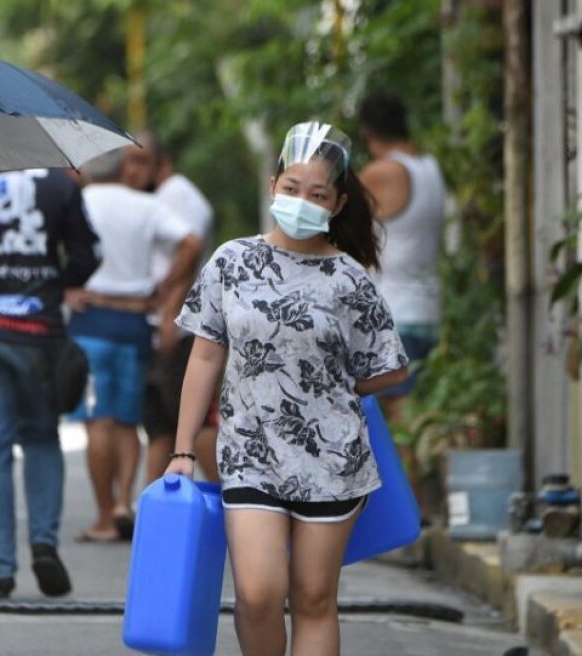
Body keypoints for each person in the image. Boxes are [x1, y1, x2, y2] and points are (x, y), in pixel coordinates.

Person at [167, 122, 408, 656]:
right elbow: (205, 355)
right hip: (249, 452)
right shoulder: (231, 261)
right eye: (293, 188)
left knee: (314, 598)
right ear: (274, 185)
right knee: (257, 595)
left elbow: (391, 367)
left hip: (333, 460)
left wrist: (331, 380)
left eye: (317, 194)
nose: (302, 200)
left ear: (338, 203)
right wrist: (182, 449)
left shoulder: (349, 279)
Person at [0, 168, 100, 599]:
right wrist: (54, 283)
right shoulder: (60, 185)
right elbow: (87, 255)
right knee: (43, 439)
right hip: (41, 335)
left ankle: (0, 570)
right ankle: (44, 542)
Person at [71, 149, 203, 542]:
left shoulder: (78, 202)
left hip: (90, 319)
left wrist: (66, 288)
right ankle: (124, 503)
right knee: (128, 422)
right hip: (133, 322)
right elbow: (192, 242)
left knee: (98, 421)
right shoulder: (146, 205)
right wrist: (165, 290)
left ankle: (104, 518)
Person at [358, 91, 447, 521]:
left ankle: (412, 512)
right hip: (428, 309)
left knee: (398, 420)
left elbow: (332, 211)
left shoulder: (383, 172)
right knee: (418, 414)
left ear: (370, 134)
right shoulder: (429, 169)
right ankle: (420, 508)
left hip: (393, 313)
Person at [121, 132, 219, 484]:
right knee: (161, 426)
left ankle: (235, 500)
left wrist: (168, 311)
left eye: (140, 161)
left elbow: (189, 251)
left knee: (193, 422)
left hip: (180, 329)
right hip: (167, 325)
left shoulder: (177, 194)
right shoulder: (163, 196)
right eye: (127, 161)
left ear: (162, 163)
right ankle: (157, 507)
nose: (130, 171)